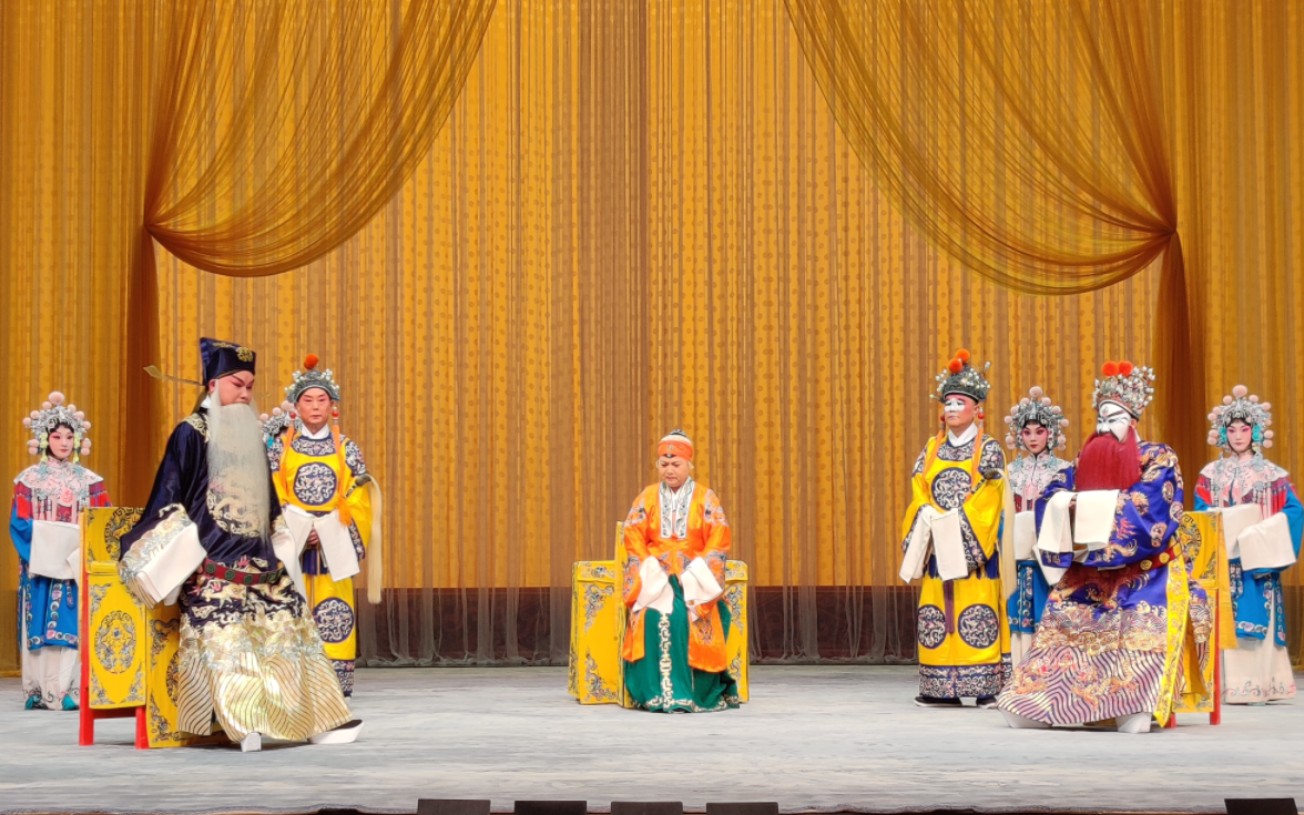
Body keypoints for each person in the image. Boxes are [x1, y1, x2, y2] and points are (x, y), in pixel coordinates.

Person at [119, 338, 360, 751]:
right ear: (213, 385)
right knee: (228, 636)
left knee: (292, 627)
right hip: (213, 565)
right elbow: (169, 495)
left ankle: (320, 718)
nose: (245, 394)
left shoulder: (249, 433)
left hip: (260, 561)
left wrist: (280, 546)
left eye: (250, 386)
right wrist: (189, 552)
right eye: (236, 385)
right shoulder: (190, 433)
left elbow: (267, 500)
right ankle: (245, 723)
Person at [998, 361, 1193, 733]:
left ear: (1133, 421)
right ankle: (1041, 704)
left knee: (1136, 626)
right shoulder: (1080, 462)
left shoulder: (1159, 457)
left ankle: (1130, 706)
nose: (1104, 427)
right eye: (1100, 419)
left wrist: (1085, 506)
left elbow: (1150, 509)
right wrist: (1065, 505)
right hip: (1087, 572)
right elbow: (1052, 495)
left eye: (1114, 417)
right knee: (1062, 618)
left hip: (1145, 572)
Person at [899, 349, 1010, 708]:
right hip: (936, 542)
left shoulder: (989, 449)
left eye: (958, 403)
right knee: (935, 612)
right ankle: (937, 686)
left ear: (977, 409)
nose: (950, 409)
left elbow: (991, 496)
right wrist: (929, 515)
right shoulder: (932, 448)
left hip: (973, 549)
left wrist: (955, 526)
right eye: (947, 403)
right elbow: (919, 488)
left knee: (975, 611)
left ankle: (982, 685)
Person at [266, 354, 381, 697]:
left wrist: (328, 528)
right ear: (296, 408)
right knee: (287, 612)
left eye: (322, 401)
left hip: (333, 546)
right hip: (292, 546)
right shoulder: (280, 449)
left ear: (333, 406)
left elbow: (359, 496)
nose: (315, 407)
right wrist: (301, 527)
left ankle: (331, 691)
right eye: (307, 401)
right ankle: (287, 689)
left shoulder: (347, 449)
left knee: (334, 615)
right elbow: (272, 493)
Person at [1195, 384, 1301, 704]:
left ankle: (1259, 686)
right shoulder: (1210, 473)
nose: (1238, 435)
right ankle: (1223, 686)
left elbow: (1294, 513)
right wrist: (1223, 526)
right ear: (1222, 433)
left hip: (1257, 562)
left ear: (1256, 432)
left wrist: (1259, 535)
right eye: (1232, 429)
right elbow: (1200, 513)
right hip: (1224, 559)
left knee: (1258, 615)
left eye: (1245, 428)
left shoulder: (1272, 474)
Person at [621, 430, 739, 712]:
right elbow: (633, 534)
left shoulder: (705, 498)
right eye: (664, 464)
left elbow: (719, 537)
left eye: (676, 464)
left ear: (689, 465)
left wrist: (696, 572)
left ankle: (691, 693)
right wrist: (650, 566)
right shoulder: (647, 497)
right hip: (655, 578)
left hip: (695, 579)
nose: (670, 469)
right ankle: (655, 694)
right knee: (652, 616)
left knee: (687, 618)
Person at [12, 392, 110, 710]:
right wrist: (49, 546)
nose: (64, 442)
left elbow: (102, 522)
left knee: (70, 620)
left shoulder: (91, 482)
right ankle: (38, 690)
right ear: (45, 439)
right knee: (38, 620)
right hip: (40, 563)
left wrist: (78, 549)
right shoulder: (28, 481)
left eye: (70, 436)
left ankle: (68, 690)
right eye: (57, 436)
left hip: (73, 564)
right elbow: (20, 524)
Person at [1001, 386, 1070, 666]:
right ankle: (1016, 672)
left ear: (1051, 433)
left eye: (1039, 432)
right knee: (1014, 612)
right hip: (1014, 557)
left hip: (1048, 558)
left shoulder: (1064, 470)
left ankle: (1048, 672)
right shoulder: (1009, 471)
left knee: (1047, 613)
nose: (1032, 438)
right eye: (1027, 432)